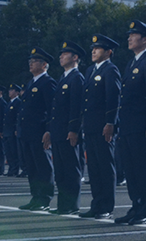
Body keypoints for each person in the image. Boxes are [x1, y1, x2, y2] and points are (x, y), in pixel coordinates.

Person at [116, 20, 146, 226]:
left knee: (143, 168)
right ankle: (136, 205)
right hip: (127, 125)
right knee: (131, 168)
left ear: (145, 39)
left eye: (134, 35)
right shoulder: (132, 62)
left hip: (141, 125)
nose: (129, 38)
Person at [80, 35, 121, 220]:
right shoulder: (89, 70)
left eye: (98, 49)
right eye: (93, 48)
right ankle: (96, 204)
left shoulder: (111, 70)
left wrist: (110, 122)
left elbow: (113, 98)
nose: (93, 51)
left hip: (103, 126)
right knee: (94, 169)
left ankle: (106, 206)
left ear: (108, 52)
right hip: (90, 126)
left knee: (105, 167)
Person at [48, 41, 87, 215]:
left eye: (65, 54)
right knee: (61, 171)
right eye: (61, 54)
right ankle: (63, 204)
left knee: (71, 169)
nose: (61, 57)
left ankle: (71, 205)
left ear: (75, 57)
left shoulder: (77, 78)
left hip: (68, 132)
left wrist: (74, 129)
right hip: (58, 131)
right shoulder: (63, 78)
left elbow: (77, 107)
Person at [19, 47, 57, 211]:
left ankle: (44, 198)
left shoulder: (48, 83)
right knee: (32, 167)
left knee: (43, 167)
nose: (31, 64)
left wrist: (48, 130)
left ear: (44, 65)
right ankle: (35, 197)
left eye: (34, 61)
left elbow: (51, 109)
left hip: (40, 132)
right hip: (28, 132)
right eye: (30, 61)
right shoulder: (31, 83)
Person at [4, 84, 24, 178]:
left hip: (13, 130)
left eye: (12, 90)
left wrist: (16, 129)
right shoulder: (9, 103)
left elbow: (17, 117)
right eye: (9, 90)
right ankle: (11, 169)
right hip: (7, 130)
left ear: (17, 92)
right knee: (8, 152)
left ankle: (15, 169)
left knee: (14, 151)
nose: (10, 92)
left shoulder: (18, 103)